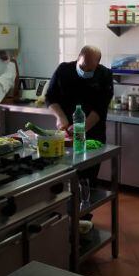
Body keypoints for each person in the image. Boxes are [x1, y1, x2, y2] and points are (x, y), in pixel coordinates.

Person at [46, 45, 113, 178]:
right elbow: (50, 97)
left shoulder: (105, 75)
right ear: (78, 58)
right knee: (63, 173)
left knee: (87, 177)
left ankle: (87, 196)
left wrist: (82, 129)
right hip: (66, 133)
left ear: (97, 65)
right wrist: (60, 117)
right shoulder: (63, 70)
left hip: (93, 133)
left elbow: (100, 108)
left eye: (90, 69)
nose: (85, 71)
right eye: (82, 67)